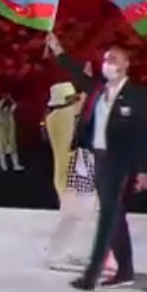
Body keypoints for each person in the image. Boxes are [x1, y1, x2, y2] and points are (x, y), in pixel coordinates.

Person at [46, 34, 147, 292]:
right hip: (98, 159)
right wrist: (58, 49)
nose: (107, 63)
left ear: (126, 64)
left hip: (120, 162)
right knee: (115, 216)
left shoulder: (136, 94)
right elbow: (77, 74)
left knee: (108, 215)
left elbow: (146, 133)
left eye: (114, 59)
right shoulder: (99, 89)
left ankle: (91, 275)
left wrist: (143, 169)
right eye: (106, 59)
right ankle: (125, 270)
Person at [42, 82, 103, 272]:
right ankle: (53, 255)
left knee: (78, 216)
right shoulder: (63, 116)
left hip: (71, 172)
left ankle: (65, 251)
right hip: (73, 173)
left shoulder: (55, 117)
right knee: (72, 216)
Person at [0, 94, 23, 171]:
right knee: (2, 151)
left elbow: (15, 105)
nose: (6, 109)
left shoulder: (10, 114)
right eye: (5, 108)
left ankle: (16, 165)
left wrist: (9, 98)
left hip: (10, 135)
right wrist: (2, 102)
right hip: (2, 136)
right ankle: (3, 166)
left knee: (13, 150)